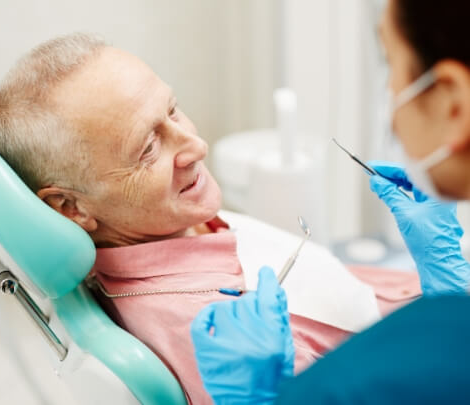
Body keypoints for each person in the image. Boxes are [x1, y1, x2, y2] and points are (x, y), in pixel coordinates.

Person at [0, 34, 421, 404]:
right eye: (147, 149)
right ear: (71, 208)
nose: (195, 145)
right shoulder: (205, 332)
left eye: (173, 110)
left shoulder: (167, 222)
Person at [191, 0, 470, 403]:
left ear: (453, 104)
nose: (391, 96)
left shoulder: (368, 380)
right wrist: (451, 297)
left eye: (389, 63)